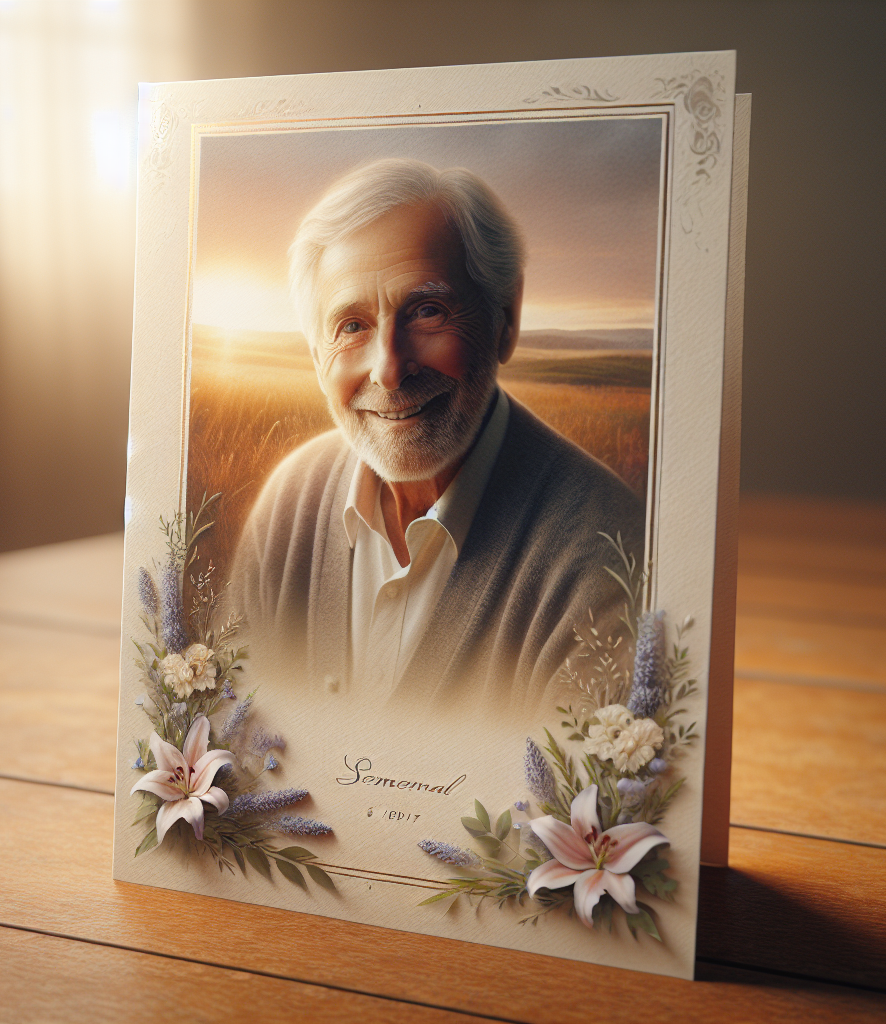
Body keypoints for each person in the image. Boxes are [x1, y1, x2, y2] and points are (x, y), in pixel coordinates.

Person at [230, 158, 644, 714]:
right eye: (352, 326)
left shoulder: (605, 551)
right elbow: (230, 735)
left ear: (505, 318)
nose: (389, 370)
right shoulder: (290, 500)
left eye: (427, 311)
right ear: (314, 355)